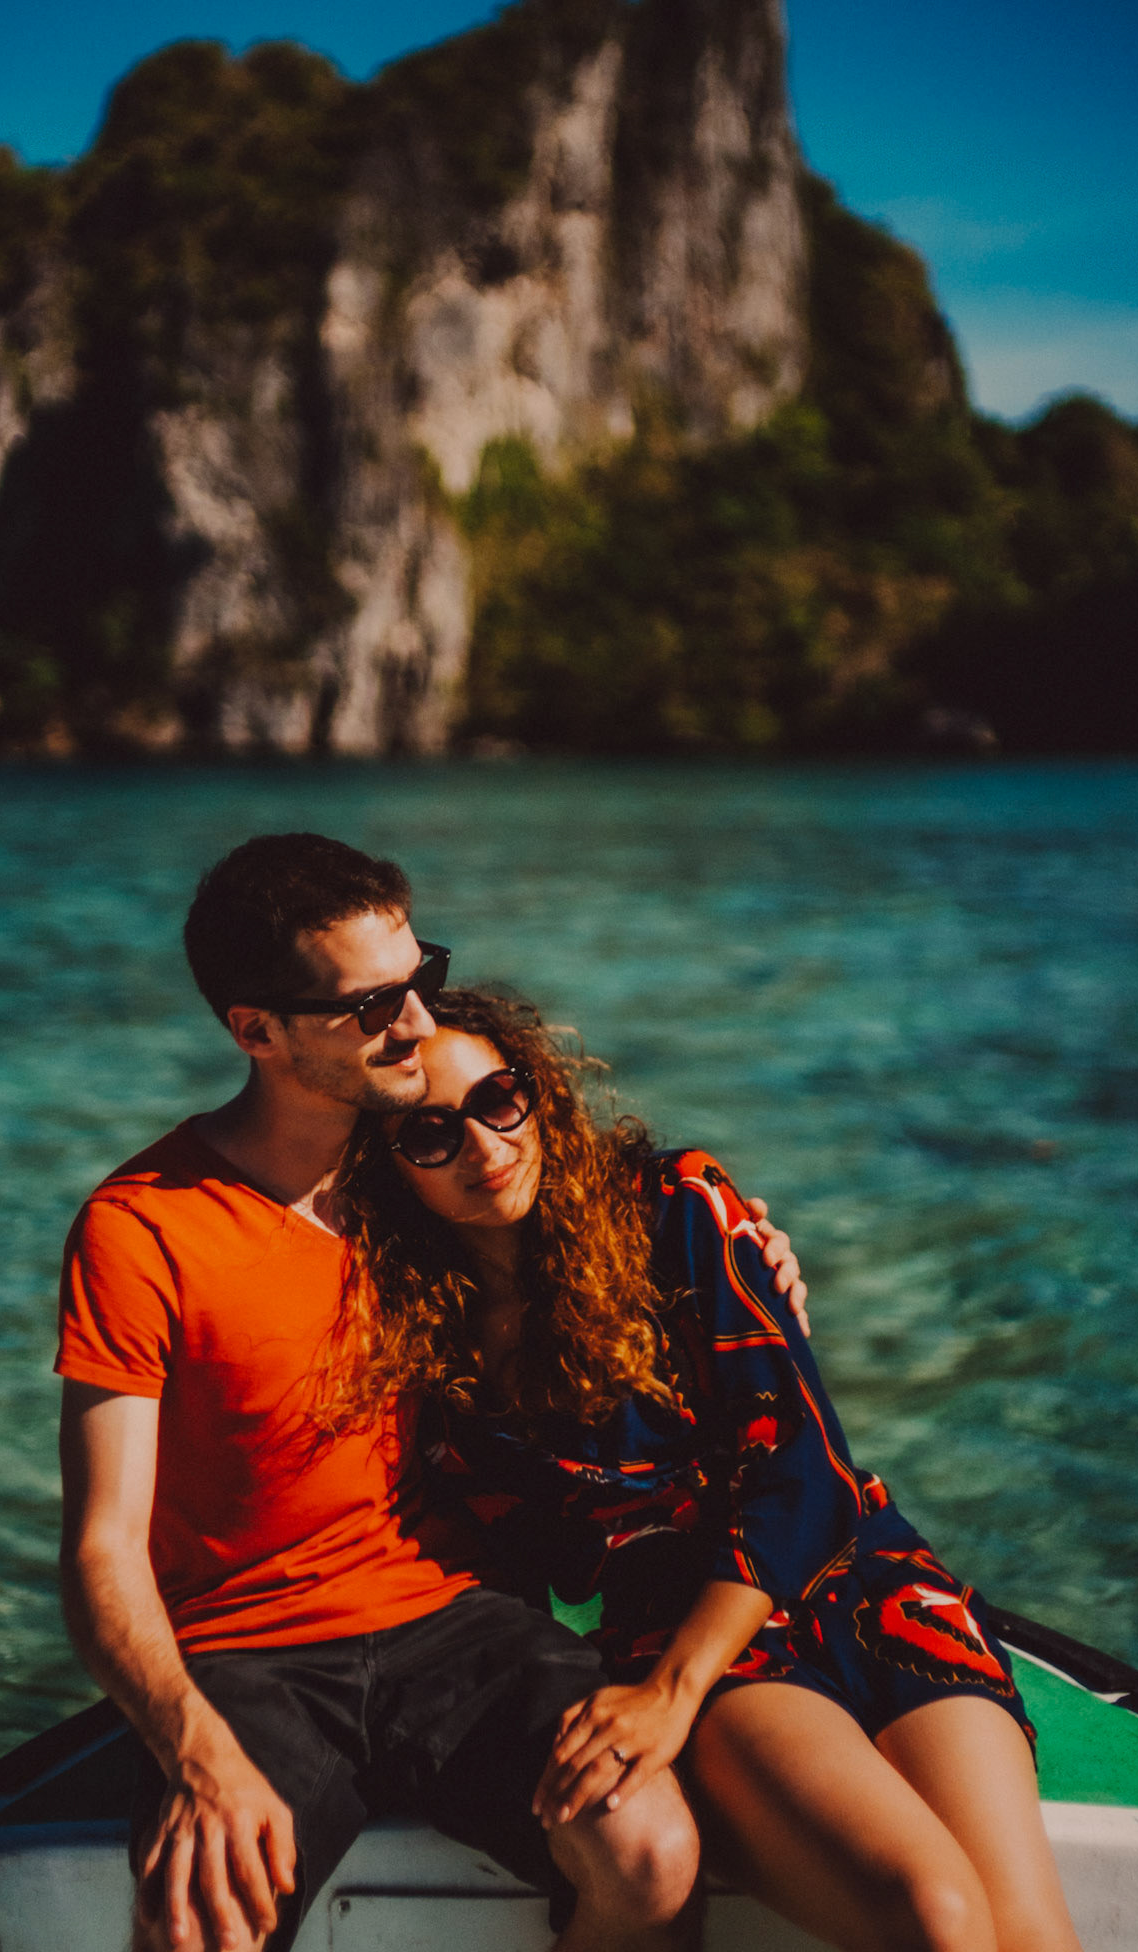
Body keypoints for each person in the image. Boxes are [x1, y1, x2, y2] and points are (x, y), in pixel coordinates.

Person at [56, 835, 809, 1952]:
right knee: (201, 1916)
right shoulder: (142, 1226)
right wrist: (197, 1752)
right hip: (247, 1655)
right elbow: (101, 1550)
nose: (413, 1023)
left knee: (648, 1848)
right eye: (371, 1006)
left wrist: (753, 1254)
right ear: (253, 1030)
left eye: (421, 978)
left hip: (459, 1622)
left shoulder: (418, 1163)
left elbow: (603, 1210)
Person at [324, 988, 1084, 1952]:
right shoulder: (418, 1343)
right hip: (705, 1637)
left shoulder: (674, 1204)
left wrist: (663, 1700)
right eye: (429, 1135)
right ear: (388, 1167)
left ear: (539, 1097)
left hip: (878, 1585)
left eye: (499, 1100)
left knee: (1031, 1939)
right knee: (936, 1917)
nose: (483, 1147)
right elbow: (478, 1557)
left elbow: (804, 1465)